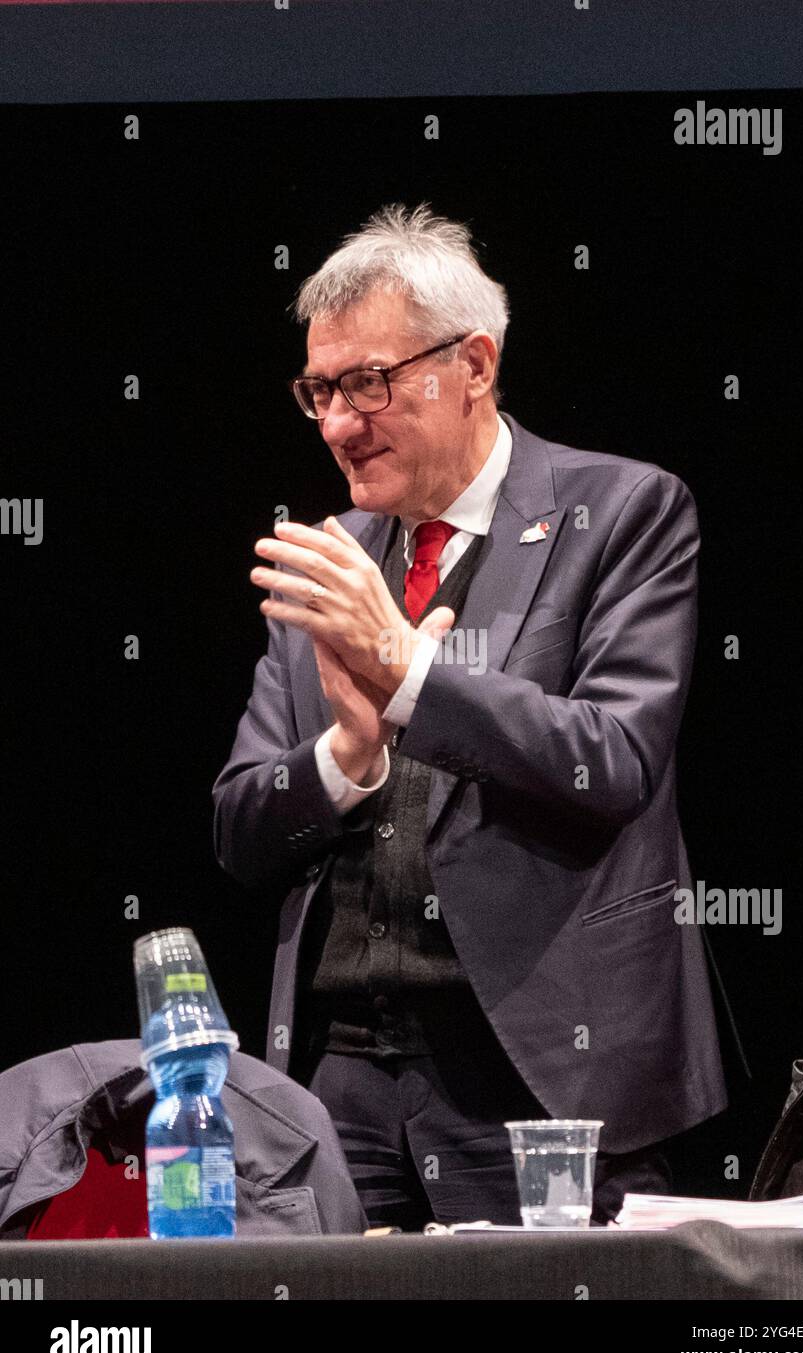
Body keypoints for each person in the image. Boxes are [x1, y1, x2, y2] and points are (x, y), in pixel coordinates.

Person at [212, 202, 731, 1230]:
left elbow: (613, 758)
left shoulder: (621, 511)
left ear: (475, 365)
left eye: (369, 382)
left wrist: (407, 675)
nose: (337, 422)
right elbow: (238, 826)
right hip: (343, 1078)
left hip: (543, 1068)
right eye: (319, 390)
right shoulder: (335, 561)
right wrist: (346, 755)